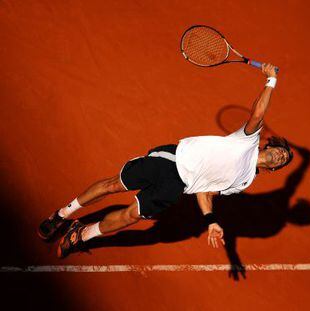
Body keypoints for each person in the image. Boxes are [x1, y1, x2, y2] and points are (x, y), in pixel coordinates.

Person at [37, 64, 293, 258]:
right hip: (170, 159)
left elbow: (205, 191)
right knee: (113, 185)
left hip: (176, 187)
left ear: (273, 169)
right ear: (269, 145)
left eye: (283, 160)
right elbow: (259, 112)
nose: (281, 155)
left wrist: (210, 220)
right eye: (282, 151)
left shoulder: (244, 181)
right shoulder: (248, 140)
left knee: (132, 217)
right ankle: (62, 214)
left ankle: (81, 234)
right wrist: (271, 79)